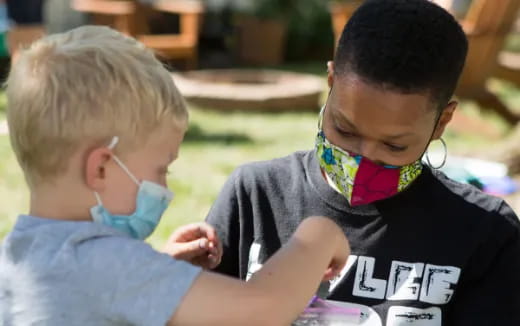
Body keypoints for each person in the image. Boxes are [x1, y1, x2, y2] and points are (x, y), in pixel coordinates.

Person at [0, 25, 350, 325]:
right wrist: (317, 236)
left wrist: (163, 269)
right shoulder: (110, 265)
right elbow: (262, 310)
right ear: (102, 168)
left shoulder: (16, 256)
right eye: (160, 168)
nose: (165, 187)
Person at [206, 0, 520, 325]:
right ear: (331, 82)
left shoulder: (485, 233)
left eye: (393, 145)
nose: (362, 159)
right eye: (344, 129)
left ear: (442, 122)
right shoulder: (255, 196)